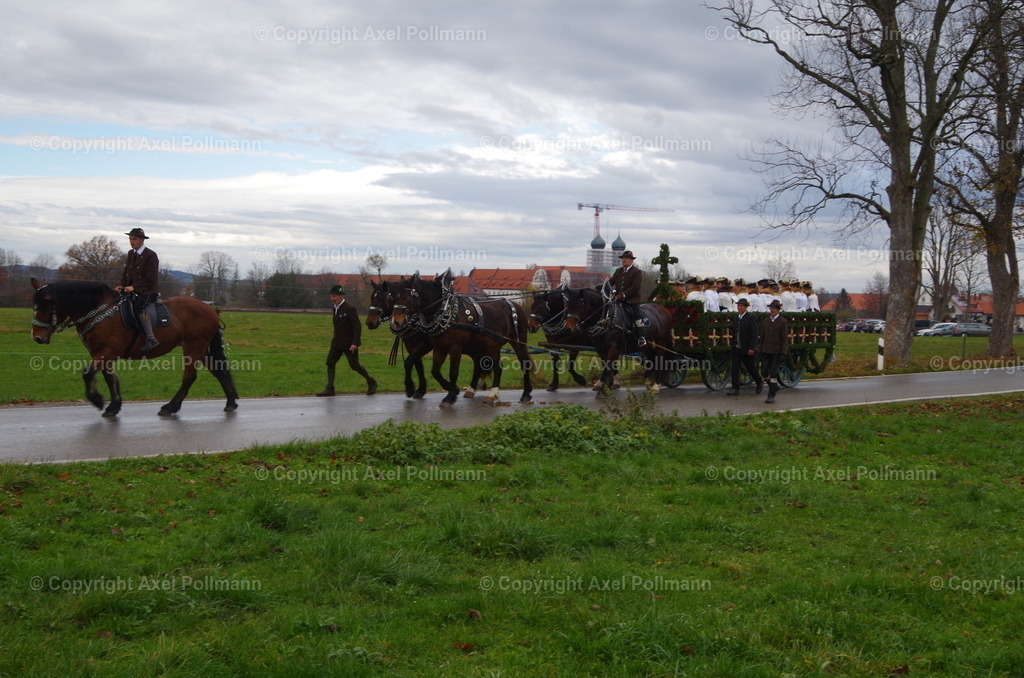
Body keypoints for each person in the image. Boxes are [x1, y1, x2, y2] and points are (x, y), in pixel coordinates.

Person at [317, 284, 378, 396]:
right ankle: (330, 389)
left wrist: (355, 343)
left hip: (349, 344)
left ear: (340, 296)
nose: (332, 299)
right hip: (337, 343)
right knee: (330, 363)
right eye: (331, 296)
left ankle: (371, 382)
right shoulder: (335, 308)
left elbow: (357, 326)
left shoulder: (349, 308)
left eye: (334, 296)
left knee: (354, 366)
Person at [114, 227, 160, 351]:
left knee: (138, 307)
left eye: (134, 239)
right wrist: (122, 286)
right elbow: (126, 272)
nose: (131, 241)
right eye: (130, 239)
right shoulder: (131, 254)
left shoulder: (151, 255)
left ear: (141, 240)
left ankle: (151, 338)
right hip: (131, 289)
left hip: (147, 291)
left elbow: (150, 278)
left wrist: (134, 287)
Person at [727, 297, 763, 396]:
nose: (739, 307)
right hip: (737, 347)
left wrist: (752, 348)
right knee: (735, 367)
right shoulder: (736, 318)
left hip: (746, 348)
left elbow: (755, 334)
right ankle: (735, 388)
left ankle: (759, 381)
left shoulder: (751, 318)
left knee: (750, 367)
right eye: (738, 305)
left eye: (741, 306)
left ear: (746, 307)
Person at [609, 250, 646, 346]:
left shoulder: (637, 272)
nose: (623, 260)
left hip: (632, 300)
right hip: (617, 300)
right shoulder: (618, 271)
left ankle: (642, 337)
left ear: (631, 260)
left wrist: (622, 295)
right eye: (622, 259)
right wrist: (601, 287)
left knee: (637, 316)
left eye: (625, 258)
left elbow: (635, 287)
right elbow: (611, 282)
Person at [760, 299, 789, 404]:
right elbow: (762, 336)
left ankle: (771, 395)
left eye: (773, 308)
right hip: (766, 351)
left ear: (778, 310)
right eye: (770, 308)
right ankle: (774, 386)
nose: (771, 310)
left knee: (773, 373)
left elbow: (784, 339)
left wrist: (783, 353)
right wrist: (760, 349)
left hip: (776, 352)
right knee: (763, 371)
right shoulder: (766, 321)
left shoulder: (782, 322)